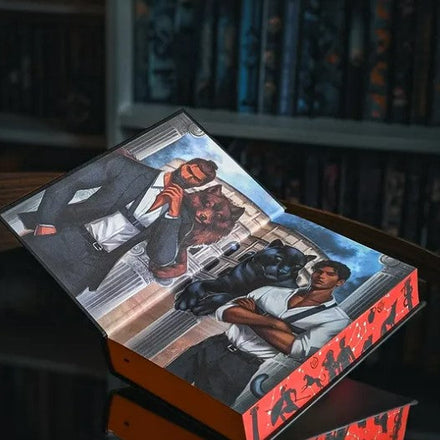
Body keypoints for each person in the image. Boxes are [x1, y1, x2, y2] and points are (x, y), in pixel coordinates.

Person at [18, 151, 217, 295]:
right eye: (189, 170)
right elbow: (71, 181)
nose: (187, 177)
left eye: (195, 179)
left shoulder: (181, 216)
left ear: (199, 185)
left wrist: (172, 214)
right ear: (184, 165)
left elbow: (160, 257)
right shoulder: (128, 169)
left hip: (90, 266)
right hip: (67, 237)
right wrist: (46, 222)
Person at [166, 260, 351, 406]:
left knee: (202, 411)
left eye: (330, 274)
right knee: (162, 385)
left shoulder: (336, 320)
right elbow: (225, 312)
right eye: (319, 271)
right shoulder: (272, 291)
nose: (321, 276)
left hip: (241, 365)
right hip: (213, 345)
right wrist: (273, 323)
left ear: (340, 282)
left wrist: (252, 314)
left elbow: (295, 348)